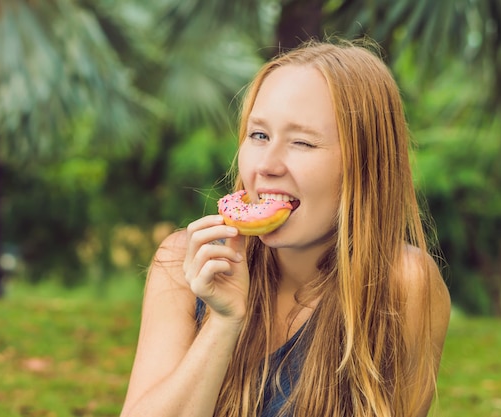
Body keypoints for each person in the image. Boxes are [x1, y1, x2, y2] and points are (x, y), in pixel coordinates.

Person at [119, 39, 451, 417]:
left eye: (302, 142)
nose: (267, 165)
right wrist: (223, 324)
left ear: (364, 165)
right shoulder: (184, 263)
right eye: (259, 135)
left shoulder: (404, 284)